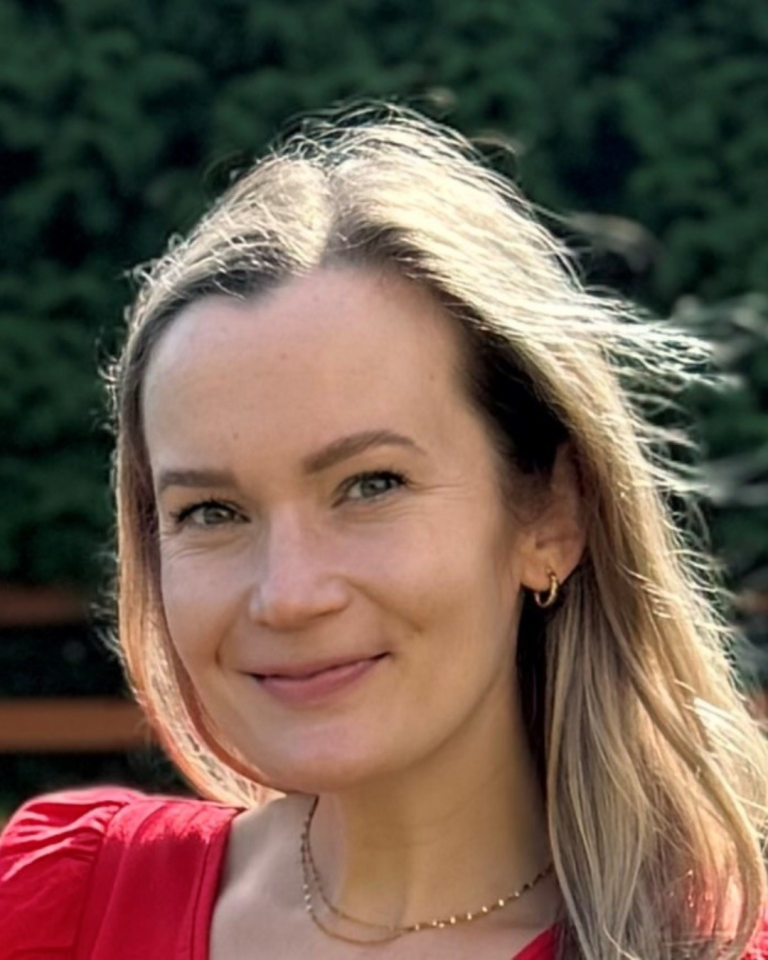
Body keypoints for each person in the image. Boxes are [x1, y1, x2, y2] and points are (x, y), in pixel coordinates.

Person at [1, 105, 767, 960]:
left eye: (371, 485)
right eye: (210, 511)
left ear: (552, 514)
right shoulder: (58, 909)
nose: (289, 594)